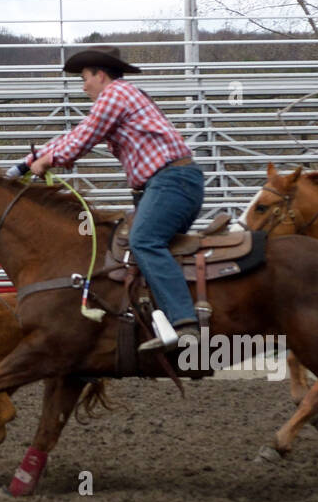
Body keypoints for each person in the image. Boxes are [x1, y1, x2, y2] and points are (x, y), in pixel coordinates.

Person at [22, 45, 203, 353]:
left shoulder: (115, 95)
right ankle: (157, 320)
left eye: (85, 78)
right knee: (138, 248)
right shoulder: (124, 97)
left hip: (170, 183)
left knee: (144, 241)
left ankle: (185, 323)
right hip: (169, 184)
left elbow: (81, 139)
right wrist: (30, 161)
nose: (83, 86)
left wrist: (45, 162)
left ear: (100, 75)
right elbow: (75, 135)